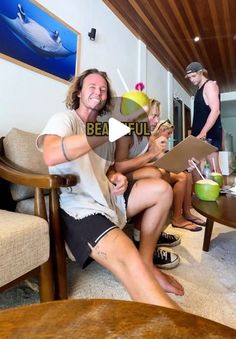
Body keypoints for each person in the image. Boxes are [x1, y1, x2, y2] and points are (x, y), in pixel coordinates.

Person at [37, 68, 184, 309]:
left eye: (103, 89)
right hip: (81, 208)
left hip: (109, 198)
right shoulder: (65, 119)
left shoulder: (100, 129)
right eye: (92, 87)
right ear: (79, 93)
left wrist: (116, 176)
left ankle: (148, 262)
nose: (98, 91)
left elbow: (106, 168)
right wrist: (109, 130)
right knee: (129, 262)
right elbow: (52, 155)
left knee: (162, 189)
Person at [115, 99, 181, 268]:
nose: (157, 121)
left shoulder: (147, 135)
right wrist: (151, 156)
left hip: (136, 171)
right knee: (154, 173)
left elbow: (153, 159)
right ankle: (140, 237)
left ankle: (152, 233)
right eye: (153, 116)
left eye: (157, 116)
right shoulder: (126, 133)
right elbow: (119, 165)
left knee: (164, 172)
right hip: (119, 174)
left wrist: (176, 159)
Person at [152, 120, 205, 230]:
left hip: (161, 168)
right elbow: (158, 160)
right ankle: (177, 218)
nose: (170, 135)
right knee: (182, 176)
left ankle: (187, 212)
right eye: (169, 133)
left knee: (188, 174)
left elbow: (164, 159)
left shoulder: (162, 141)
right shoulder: (152, 140)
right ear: (161, 129)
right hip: (153, 170)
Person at [185, 61, 222, 174]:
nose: (192, 80)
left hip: (208, 135)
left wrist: (203, 132)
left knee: (214, 168)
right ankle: (200, 191)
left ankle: (220, 191)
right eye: (189, 77)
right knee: (193, 166)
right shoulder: (199, 89)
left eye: (194, 76)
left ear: (201, 72)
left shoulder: (210, 85)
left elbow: (215, 111)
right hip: (199, 134)